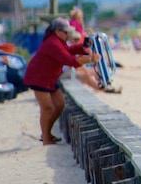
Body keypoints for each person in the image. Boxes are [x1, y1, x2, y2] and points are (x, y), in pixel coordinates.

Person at [23, 17, 99, 145]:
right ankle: (46, 139)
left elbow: (69, 50)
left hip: (50, 78)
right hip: (39, 78)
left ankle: (46, 132)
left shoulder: (58, 40)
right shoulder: (52, 43)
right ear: (57, 31)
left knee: (59, 105)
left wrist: (85, 45)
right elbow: (69, 60)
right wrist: (90, 59)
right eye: (65, 32)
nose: (67, 34)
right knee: (47, 108)